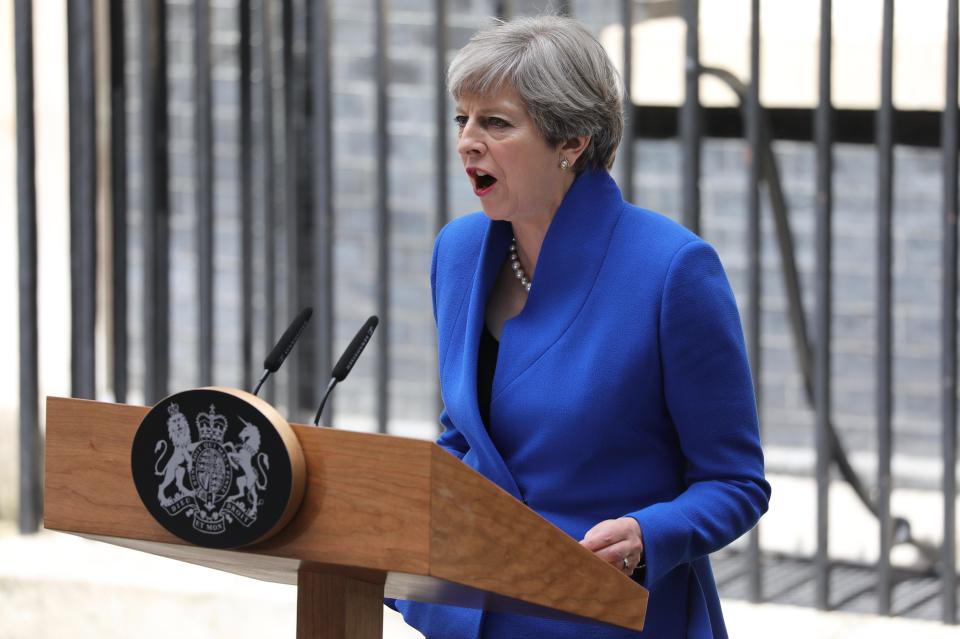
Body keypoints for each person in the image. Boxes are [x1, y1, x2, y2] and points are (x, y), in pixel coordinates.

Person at [390, 15, 770, 639]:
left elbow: (735, 482)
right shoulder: (458, 252)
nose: (467, 141)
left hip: (603, 616)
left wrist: (649, 535)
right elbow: (467, 436)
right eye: (463, 119)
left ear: (571, 140)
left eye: (496, 122)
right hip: (476, 610)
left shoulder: (671, 270)